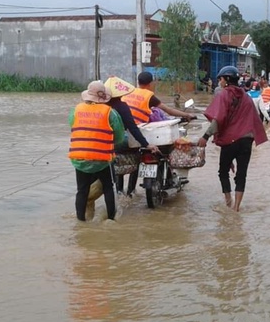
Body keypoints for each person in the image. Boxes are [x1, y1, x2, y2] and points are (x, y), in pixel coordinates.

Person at [197, 65, 268, 212]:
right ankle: (236, 207)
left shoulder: (224, 95)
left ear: (227, 80)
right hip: (246, 141)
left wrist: (205, 136)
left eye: (221, 79)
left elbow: (218, 119)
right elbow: (254, 120)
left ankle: (228, 201)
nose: (220, 82)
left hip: (230, 141)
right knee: (241, 174)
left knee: (223, 172)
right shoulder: (246, 97)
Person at [120, 71, 196, 195]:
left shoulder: (128, 93)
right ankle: (131, 191)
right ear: (151, 83)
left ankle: (124, 192)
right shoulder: (149, 96)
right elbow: (168, 110)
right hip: (140, 133)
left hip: (125, 133)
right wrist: (187, 115)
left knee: (134, 159)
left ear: (138, 82)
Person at [69, 80, 125, 221]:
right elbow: (119, 137)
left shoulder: (76, 110)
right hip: (102, 159)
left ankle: (80, 221)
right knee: (108, 187)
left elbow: (73, 127)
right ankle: (111, 219)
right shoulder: (110, 112)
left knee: (82, 190)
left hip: (79, 158)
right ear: (104, 97)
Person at [103, 76, 159, 197]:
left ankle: (119, 191)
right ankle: (131, 191)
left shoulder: (102, 107)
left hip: (107, 145)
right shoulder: (122, 106)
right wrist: (146, 144)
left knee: (116, 162)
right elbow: (133, 128)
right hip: (122, 142)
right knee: (138, 153)